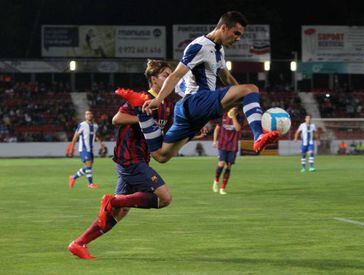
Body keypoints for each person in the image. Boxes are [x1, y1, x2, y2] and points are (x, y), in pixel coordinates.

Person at [115, 11, 279, 165]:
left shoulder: (218, 49)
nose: (238, 38)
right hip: (195, 101)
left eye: (240, 36)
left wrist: (243, 100)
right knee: (251, 88)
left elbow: (226, 77)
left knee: (161, 155)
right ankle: (258, 135)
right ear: (223, 27)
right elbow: (176, 75)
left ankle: (143, 115)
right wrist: (158, 99)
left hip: (190, 111)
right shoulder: (199, 46)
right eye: (236, 33)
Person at [67, 60, 174, 260]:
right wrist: (143, 118)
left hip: (142, 158)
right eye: (165, 75)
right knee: (164, 198)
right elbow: (117, 119)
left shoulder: (167, 104)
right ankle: (111, 200)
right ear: (153, 80)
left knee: (121, 211)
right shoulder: (142, 99)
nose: (171, 78)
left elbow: (166, 130)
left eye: (171, 74)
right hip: (129, 157)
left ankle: (78, 243)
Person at [67, 111, 103, 189]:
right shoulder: (82, 125)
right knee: (89, 165)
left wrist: (101, 145)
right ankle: (90, 184)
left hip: (90, 149)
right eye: (87, 114)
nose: (89, 115)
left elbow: (96, 136)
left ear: (92, 115)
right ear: (85, 116)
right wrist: (71, 148)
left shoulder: (95, 126)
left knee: (88, 167)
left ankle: (73, 177)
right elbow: (75, 136)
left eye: (90, 114)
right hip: (83, 149)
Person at [212, 107, 243, 195]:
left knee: (228, 166)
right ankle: (216, 180)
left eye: (235, 107)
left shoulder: (239, 117)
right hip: (222, 144)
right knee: (221, 163)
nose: (233, 108)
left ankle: (222, 188)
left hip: (233, 146)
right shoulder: (223, 115)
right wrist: (214, 141)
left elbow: (237, 129)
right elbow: (217, 128)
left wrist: (233, 117)